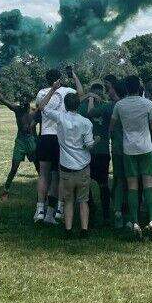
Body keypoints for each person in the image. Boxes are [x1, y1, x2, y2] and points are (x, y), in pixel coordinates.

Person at [40, 84, 94, 238]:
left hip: (66, 166)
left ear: (65, 105)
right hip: (83, 166)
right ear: (79, 105)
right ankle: (84, 229)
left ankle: (68, 229)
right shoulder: (86, 122)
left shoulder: (60, 117)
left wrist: (52, 89)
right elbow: (89, 145)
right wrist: (94, 141)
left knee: (68, 200)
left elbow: (42, 107)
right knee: (83, 200)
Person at [109, 75, 152, 240]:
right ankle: (151, 220)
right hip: (146, 148)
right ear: (139, 87)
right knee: (148, 185)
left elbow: (112, 126)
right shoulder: (147, 103)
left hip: (128, 149)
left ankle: (135, 221)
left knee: (132, 186)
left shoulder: (120, 105)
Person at [34, 67, 84, 224]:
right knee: (58, 176)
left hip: (45, 136)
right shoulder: (67, 90)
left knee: (43, 174)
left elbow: (39, 107)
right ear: (59, 79)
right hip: (60, 137)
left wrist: (52, 90)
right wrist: (74, 76)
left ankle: (41, 210)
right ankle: (56, 210)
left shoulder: (41, 92)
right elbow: (81, 93)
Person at [0, 80, 38, 199]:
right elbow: (3, 100)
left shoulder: (35, 112)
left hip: (32, 141)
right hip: (20, 141)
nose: (22, 101)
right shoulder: (17, 109)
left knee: (39, 168)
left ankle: (45, 191)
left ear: (29, 101)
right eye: (21, 99)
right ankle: (6, 190)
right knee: (14, 168)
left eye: (24, 99)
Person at [78, 82, 113, 224]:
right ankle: (105, 214)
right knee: (102, 183)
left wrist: (87, 97)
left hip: (90, 151)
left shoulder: (83, 106)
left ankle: (93, 210)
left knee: (88, 183)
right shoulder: (105, 106)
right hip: (100, 150)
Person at [104, 75, 128, 229]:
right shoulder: (129, 105)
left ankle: (118, 210)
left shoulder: (112, 106)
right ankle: (129, 213)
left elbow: (110, 129)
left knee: (119, 180)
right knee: (131, 180)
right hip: (132, 148)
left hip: (117, 148)